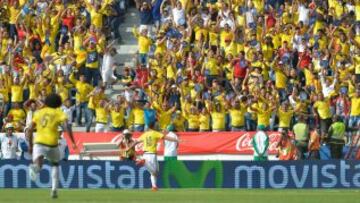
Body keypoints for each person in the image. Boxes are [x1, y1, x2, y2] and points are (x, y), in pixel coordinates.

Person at [27, 93, 77, 199]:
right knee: (55, 164)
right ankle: (54, 189)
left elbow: (30, 129)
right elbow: (66, 126)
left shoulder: (39, 112)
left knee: (38, 163)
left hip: (39, 142)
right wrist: (72, 141)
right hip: (52, 143)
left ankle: (35, 168)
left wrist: (30, 145)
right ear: (58, 103)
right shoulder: (59, 112)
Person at [134, 121, 178, 191]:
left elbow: (136, 142)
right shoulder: (155, 133)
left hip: (146, 154)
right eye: (156, 125)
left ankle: (154, 186)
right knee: (154, 172)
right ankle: (144, 162)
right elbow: (166, 138)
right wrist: (176, 140)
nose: (157, 126)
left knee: (155, 172)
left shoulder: (145, 134)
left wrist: (129, 148)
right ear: (153, 126)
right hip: (152, 154)